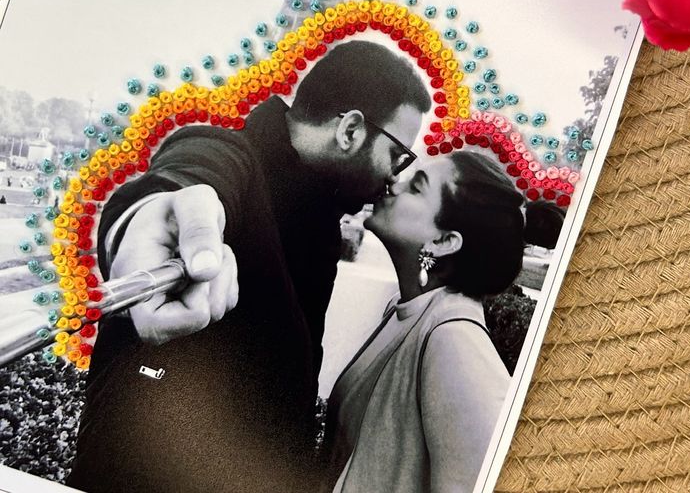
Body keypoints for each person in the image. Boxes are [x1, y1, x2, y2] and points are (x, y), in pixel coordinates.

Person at [68, 40, 430, 493]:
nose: (395, 175)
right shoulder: (235, 157)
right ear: (351, 131)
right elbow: (196, 170)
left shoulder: (321, 206)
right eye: (399, 155)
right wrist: (147, 216)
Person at [322, 151, 561, 493]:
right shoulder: (409, 309)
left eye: (416, 187)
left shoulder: (455, 338)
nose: (394, 182)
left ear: (444, 241)